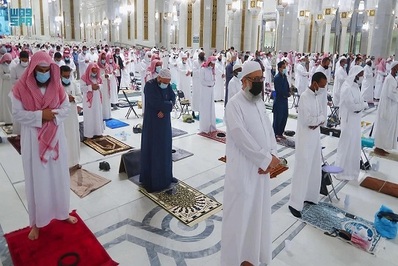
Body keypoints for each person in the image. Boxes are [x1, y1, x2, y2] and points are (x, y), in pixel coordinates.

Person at [11, 51, 77, 240]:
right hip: (33, 140)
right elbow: (17, 114)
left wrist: (52, 115)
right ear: (32, 70)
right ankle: (37, 223)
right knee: (36, 181)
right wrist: (40, 116)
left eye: (47, 70)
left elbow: (65, 108)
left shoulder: (57, 86)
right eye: (40, 70)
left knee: (59, 178)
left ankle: (62, 213)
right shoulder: (20, 88)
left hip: (55, 139)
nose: (44, 74)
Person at [221, 61, 280, 266]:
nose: (260, 83)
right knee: (239, 218)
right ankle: (233, 260)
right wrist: (265, 159)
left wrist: (272, 154)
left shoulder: (258, 102)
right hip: (243, 172)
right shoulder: (234, 104)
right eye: (256, 80)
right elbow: (241, 138)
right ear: (244, 81)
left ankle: (252, 256)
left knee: (257, 216)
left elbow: (268, 132)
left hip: (260, 172)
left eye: (261, 79)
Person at [288, 72, 327, 218]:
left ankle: (309, 196)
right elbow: (308, 121)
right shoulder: (304, 97)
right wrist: (318, 120)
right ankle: (295, 203)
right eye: (322, 86)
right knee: (302, 169)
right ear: (315, 83)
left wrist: (318, 120)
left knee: (313, 167)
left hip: (315, 137)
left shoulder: (316, 98)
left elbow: (322, 117)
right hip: (305, 139)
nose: (323, 89)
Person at [140, 69, 176, 193]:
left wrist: (166, 108)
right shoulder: (149, 85)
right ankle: (152, 180)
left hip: (164, 122)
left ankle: (166, 177)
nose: (166, 84)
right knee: (154, 149)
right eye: (165, 82)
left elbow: (173, 97)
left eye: (168, 82)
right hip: (153, 123)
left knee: (165, 148)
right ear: (159, 78)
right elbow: (154, 102)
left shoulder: (167, 84)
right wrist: (167, 106)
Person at [335, 66, 368, 181]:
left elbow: (360, 102)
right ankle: (340, 172)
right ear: (355, 75)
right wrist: (362, 106)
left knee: (354, 146)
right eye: (360, 74)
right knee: (346, 145)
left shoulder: (356, 87)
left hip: (356, 121)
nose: (362, 77)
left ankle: (351, 172)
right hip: (348, 121)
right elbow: (353, 106)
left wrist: (361, 105)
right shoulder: (346, 87)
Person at [373, 61, 398, 156]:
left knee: (387, 128)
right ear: (394, 68)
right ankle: (378, 147)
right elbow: (391, 94)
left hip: (391, 107)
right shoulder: (389, 79)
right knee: (384, 127)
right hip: (387, 107)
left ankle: (382, 147)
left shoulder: (392, 78)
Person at [60, 65, 82, 169]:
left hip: (73, 116)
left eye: (68, 76)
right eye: (64, 76)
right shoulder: (57, 86)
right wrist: (65, 99)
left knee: (74, 137)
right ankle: (65, 164)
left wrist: (73, 98)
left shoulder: (73, 83)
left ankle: (75, 161)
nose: (67, 78)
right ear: (60, 75)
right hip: (62, 118)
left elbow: (80, 96)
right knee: (65, 138)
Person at [80, 63, 104, 139]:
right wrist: (90, 87)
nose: (94, 73)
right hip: (88, 102)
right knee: (89, 117)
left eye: (96, 71)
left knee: (98, 115)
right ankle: (89, 134)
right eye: (93, 71)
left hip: (97, 100)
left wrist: (99, 86)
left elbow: (102, 85)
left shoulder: (98, 78)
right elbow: (82, 88)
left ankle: (98, 132)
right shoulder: (84, 77)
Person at [273, 61, 290, 140]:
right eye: (283, 68)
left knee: (284, 116)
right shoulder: (277, 78)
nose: (284, 69)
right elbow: (279, 90)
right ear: (279, 68)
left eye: (285, 67)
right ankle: (275, 134)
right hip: (279, 100)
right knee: (278, 118)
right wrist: (286, 94)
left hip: (285, 100)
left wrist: (290, 91)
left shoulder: (284, 76)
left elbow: (287, 86)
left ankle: (280, 133)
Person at [199, 56, 217, 133]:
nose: (213, 66)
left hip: (211, 90)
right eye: (212, 64)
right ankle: (205, 127)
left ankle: (211, 126)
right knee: (205, 108)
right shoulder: (203, 69)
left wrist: (212, 83)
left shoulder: (212, 70)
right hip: (205, 90)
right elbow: (202, 81)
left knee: (211, 108)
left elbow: (214, 79)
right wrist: (210, 83)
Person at [191, 51, 205, 118]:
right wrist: (201, 69)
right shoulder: (195, 62)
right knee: (195, 96)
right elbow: (194, 71)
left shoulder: (204, 62)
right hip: (196, 82)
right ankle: (193, 111)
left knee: (201, 97)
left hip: (201, 83)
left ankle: (201, 111)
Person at [0, 53, 13, 124]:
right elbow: (2, 75)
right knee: (5, 101)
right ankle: (6, 119)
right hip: (5, 85)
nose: (8, 62)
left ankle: (11, 119)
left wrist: (9, 74)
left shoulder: (13, 64)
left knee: (11, 101)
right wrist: (9, 75)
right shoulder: (1, 66)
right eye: (7, 61)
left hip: (11, 85)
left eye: (9, 61)